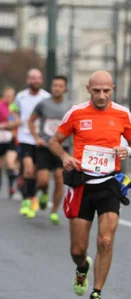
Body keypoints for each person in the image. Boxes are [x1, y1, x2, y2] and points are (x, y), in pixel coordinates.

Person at [48, 70, 131, 299]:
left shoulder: (123, 114)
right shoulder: (77, 113)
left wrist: (129, 152)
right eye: (97, 91)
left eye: (106, 91)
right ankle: (82, 268)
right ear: (89, 90)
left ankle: (97, 294)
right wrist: (66, 156)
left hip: (110, 182)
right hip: (82, 183)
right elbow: (54, 141)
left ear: (113, 90)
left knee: (105, 240)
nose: (101, 95)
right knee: (78, 250)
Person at [28, 75, 73, 224]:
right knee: (43, 181)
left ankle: (54, 211)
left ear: (65, 89)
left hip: (62, 148)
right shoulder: (43, 104)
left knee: (60, 179)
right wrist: (36, 137)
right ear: (51, 87)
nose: (57, 88)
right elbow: (31, 120)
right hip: (45, 147)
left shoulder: (69, 107)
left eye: (60, 86)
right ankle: (44, 192)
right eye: (55, 85)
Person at [13, 69, 50, 217]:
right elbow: (14, 110)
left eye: (38, 78)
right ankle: (27, 200)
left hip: (41, 139)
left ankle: (39, 194)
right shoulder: (20, 96)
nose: (35, 81)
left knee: (38, 175)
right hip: (25, 138)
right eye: (32, 78)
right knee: (28, 170)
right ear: (28, 80)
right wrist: (16, 118)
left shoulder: (46, 97)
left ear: (41, 80)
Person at [0, 87, 20, 197]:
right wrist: (3, 126)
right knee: (1, 165)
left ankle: (12, 186)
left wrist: (11, 124)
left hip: (11, 138)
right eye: (7, 96)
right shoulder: (0, 105)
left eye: (11, 96)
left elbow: (18, 121)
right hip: (1, 138)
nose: (9, 98)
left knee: (10, 162)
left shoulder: (14, 107)